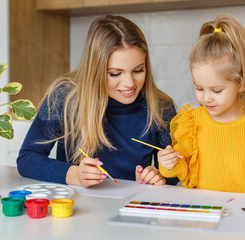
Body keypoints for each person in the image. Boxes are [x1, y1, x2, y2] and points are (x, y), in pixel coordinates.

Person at [17, 15, 178, 188]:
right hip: (78, 207)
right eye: (115, 73)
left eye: (138, 70)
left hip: (134, 205)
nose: (130, 83)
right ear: (95, 70)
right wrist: (75, 175)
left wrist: (159, 175)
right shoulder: (64, 96)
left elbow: (175, 172)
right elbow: (27, 159)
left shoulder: (161, 106)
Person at [157, 14, 245, 205]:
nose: (206, 97)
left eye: (216, 90)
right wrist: (168, 165)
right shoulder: (191, 122)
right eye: (199, 88)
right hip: (202, 212)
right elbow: (183, 168)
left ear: (242, 83)